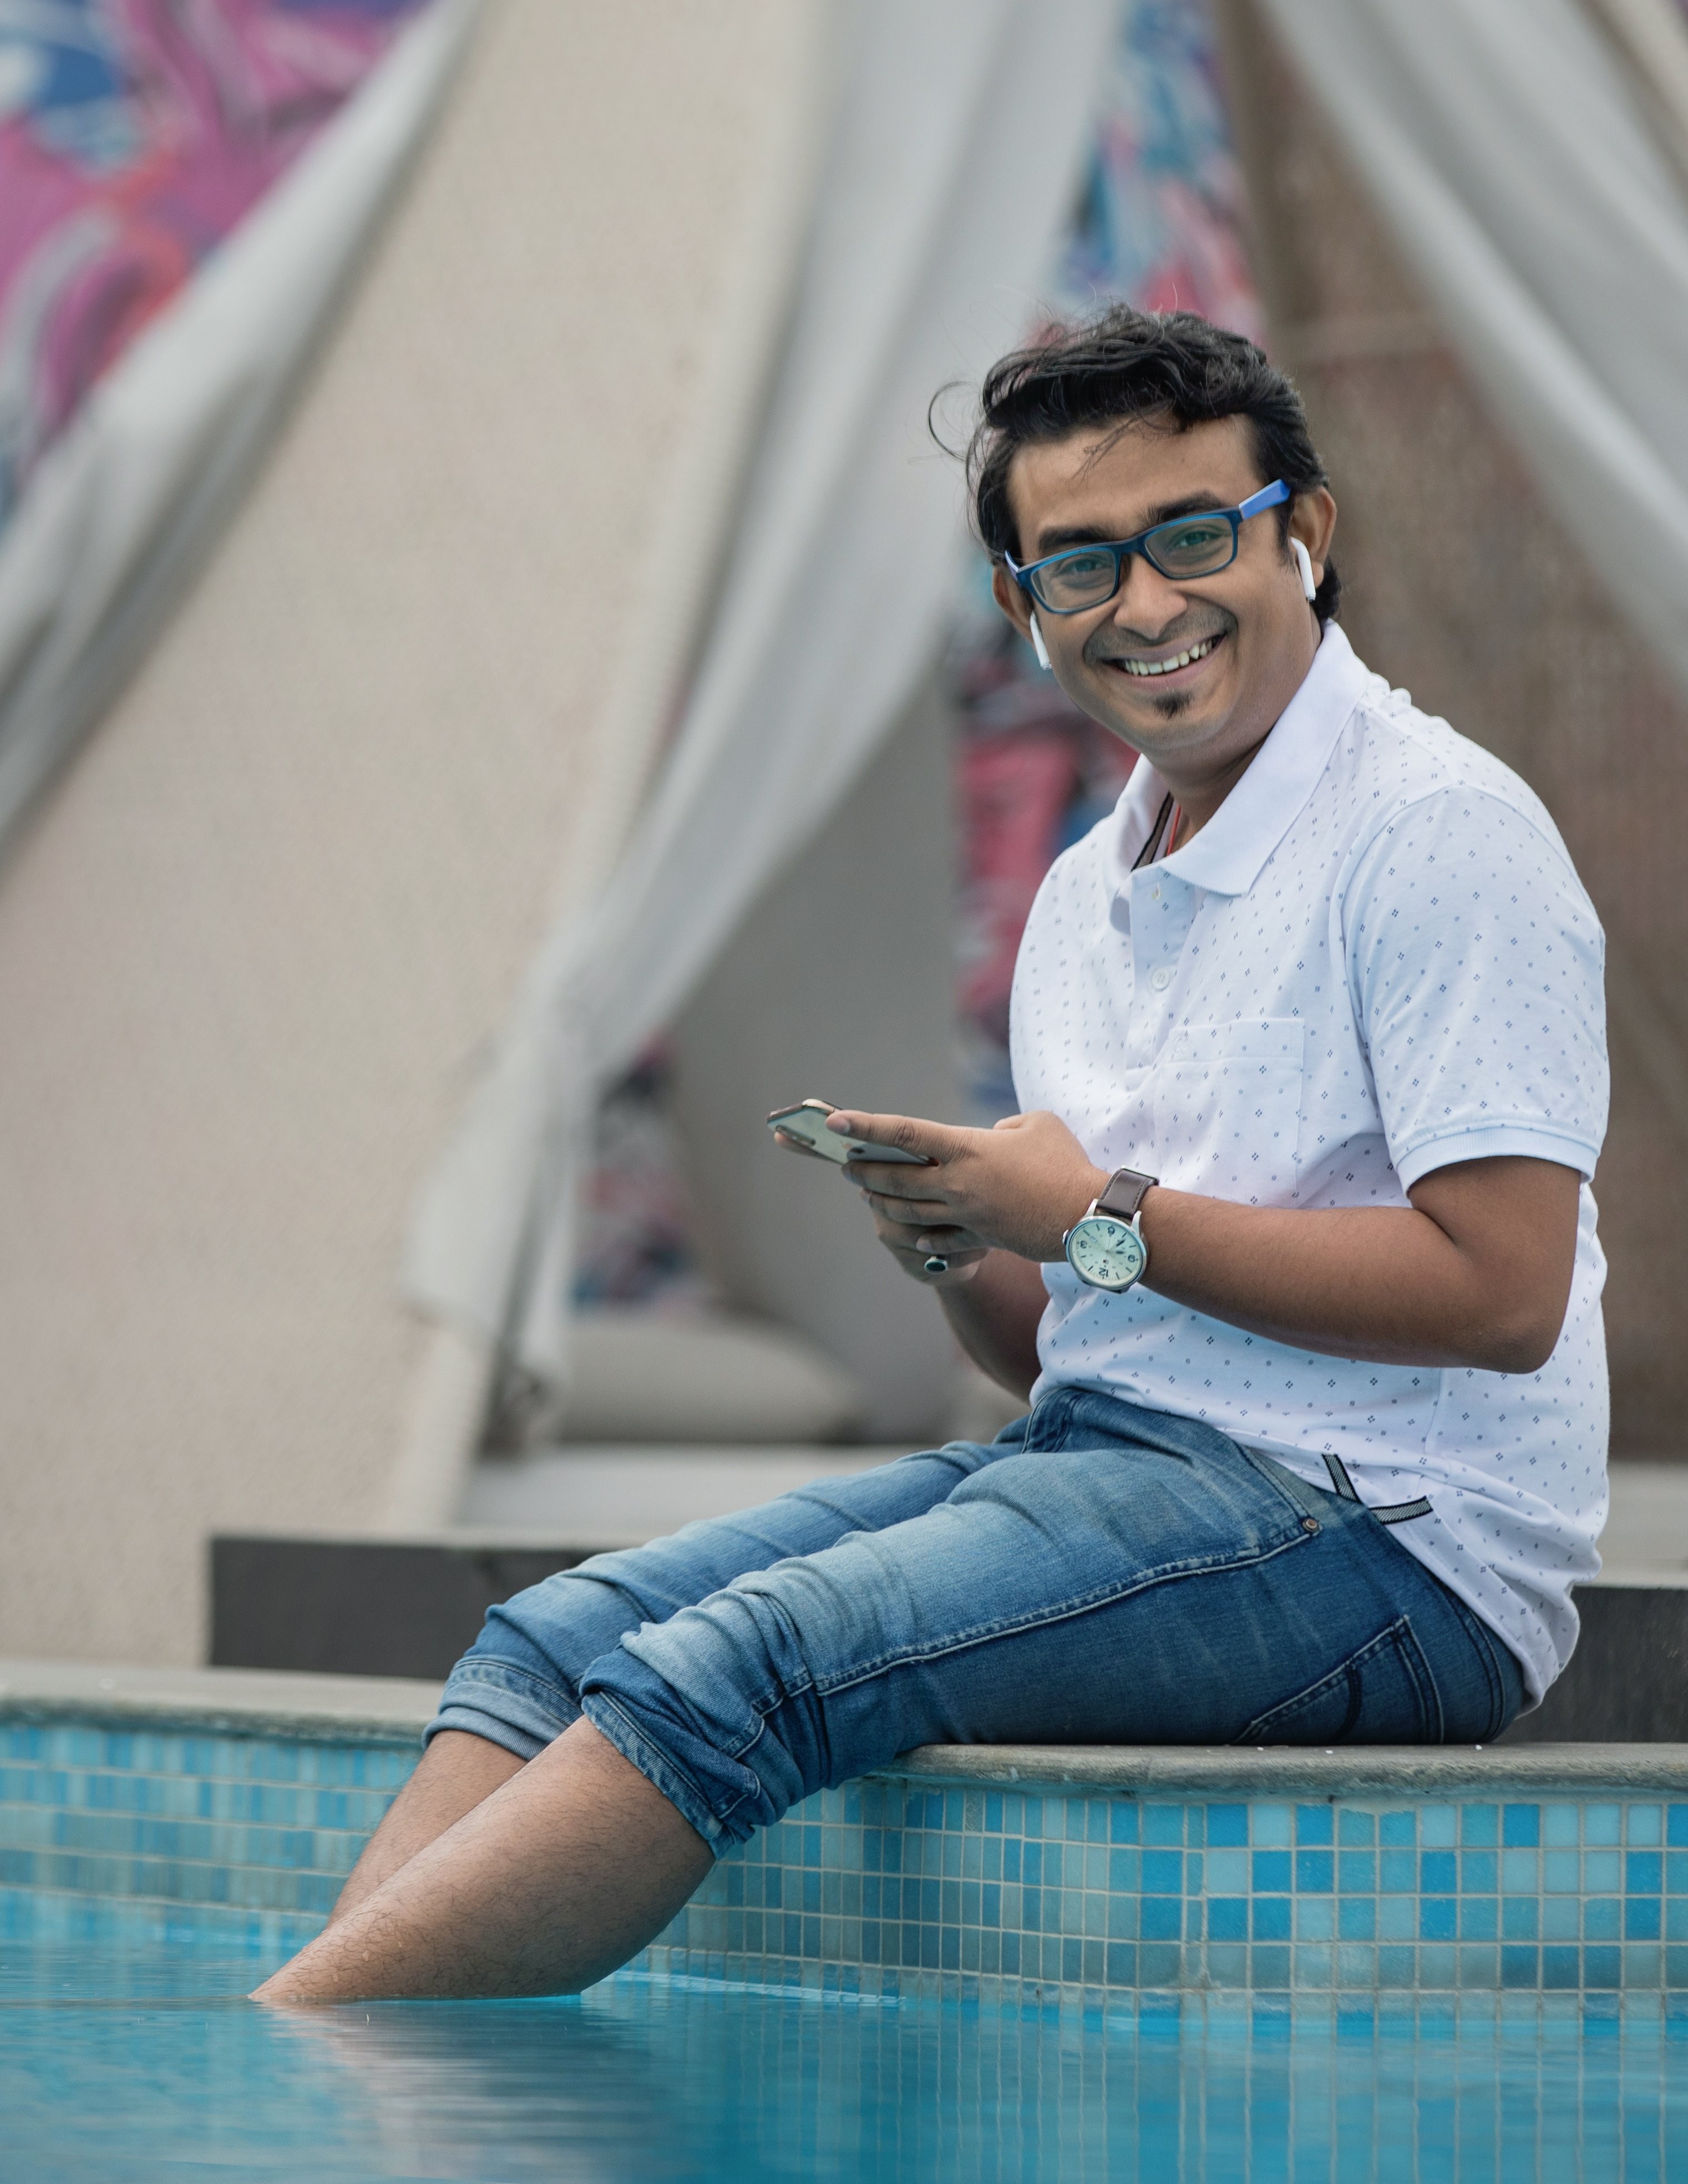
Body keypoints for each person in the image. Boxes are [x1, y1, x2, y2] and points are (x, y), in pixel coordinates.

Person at [255, 309, 1608, 2004]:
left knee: (755, 1664)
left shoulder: (1438, 833)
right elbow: (1083, 1347)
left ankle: (297, 2066)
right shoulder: (1086, 894)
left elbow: (1505, 1292)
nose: (1147, 603)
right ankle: (334, 2065)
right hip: (1125, 1462)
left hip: (1394, 1546)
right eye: (1081, 565)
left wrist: (1095, 1213)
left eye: (1196, 535)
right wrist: (968, 1247)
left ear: (1306, 534)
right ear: (1023, 605)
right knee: (548, 1642)